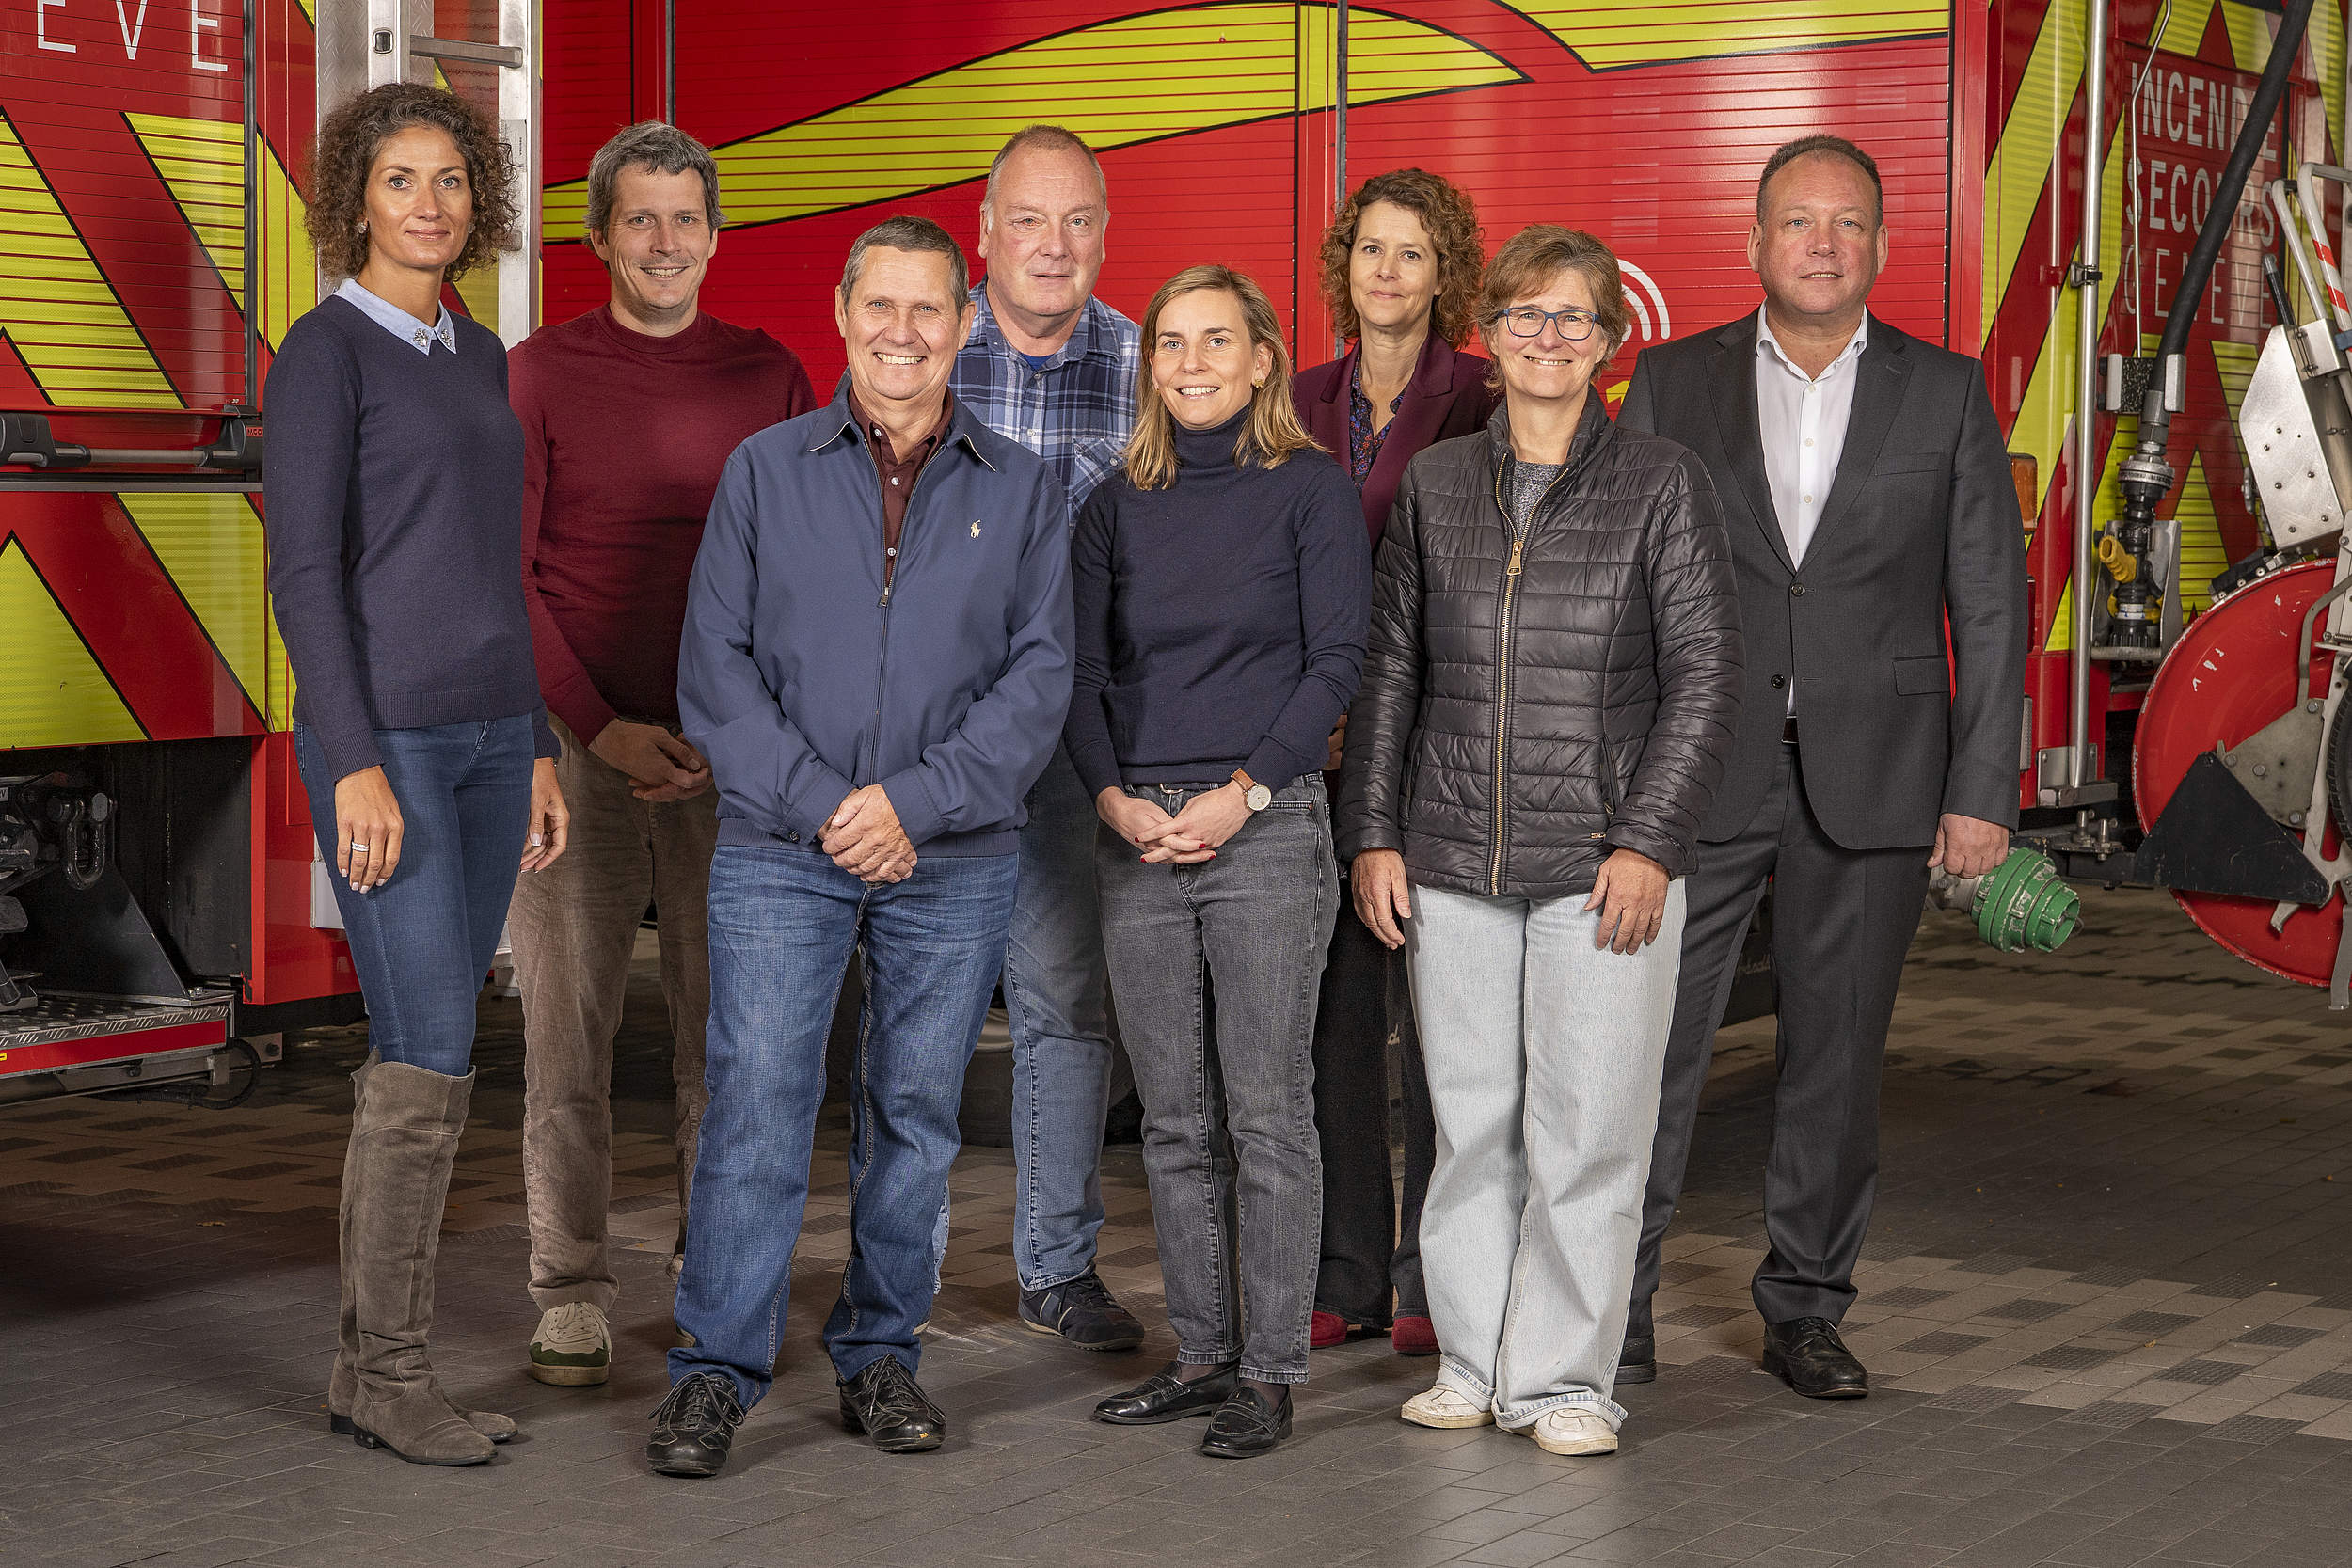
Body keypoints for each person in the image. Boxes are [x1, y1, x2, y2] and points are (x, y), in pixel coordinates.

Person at [649, 215, 1073, 1476]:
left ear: (965, 323)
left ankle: (880, 1350)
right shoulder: (763, 471)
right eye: (879, 305)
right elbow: (714, 668)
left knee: (917, 1112)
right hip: (783, 845)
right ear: (841, 314)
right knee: (758, 1101)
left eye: (928, 308)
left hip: (955, 853)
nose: (902, 332)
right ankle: (715, 1368)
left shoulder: (1024, 487)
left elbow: (1039, 681)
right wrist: (832, 805)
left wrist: (913, 805)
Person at [1615, 135, 2026, 1401]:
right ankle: (1611, 1302)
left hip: (1880, 771)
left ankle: (1805, 1306)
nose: (1823, 244)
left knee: (1835, 1060)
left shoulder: (1943, 392)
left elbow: (1990, 603)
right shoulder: (1671, 380)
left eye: (1849, 222)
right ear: (1755, 241)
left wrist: (1980, 788)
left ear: (1882, 247)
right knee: (1644, 1045)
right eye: (1799, 220)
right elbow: (1627, 592)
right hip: (1699, 769)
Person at [1340, 225, 1741, 1456]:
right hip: (1451, 856)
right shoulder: (1436, 485)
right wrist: (1374, 831)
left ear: (1609, 341)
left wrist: (1650, 840)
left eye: (1573, 317)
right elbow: (1392, 672)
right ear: (1492, 334)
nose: (1547, 337)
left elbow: (1705, 676)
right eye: (1524, 314)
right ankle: (1471, 1358)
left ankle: (1566, 1378)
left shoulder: (1663, 482)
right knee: (1468, 1125)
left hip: (1602, 868)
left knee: (1590, 1130)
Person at [265, 81, 568, 1466]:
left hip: (498, 737)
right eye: (400, 179)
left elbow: (498, 570)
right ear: (355, 200)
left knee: (446, 1043)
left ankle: (374, 1368)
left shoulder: (478, 351)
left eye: (451, 179)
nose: (430, 203)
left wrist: (541, 738)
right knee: (426, 1046)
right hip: (388, 745)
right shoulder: (323, 351)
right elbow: (304, 574)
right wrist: (353, 764)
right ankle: (384, 1373)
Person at [506, 121, 814, 1388]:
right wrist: (597, 726)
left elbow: (800, 575)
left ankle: (716, 1280)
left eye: (686, 217)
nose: (665, 240)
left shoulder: (771, 374)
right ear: (599, 234)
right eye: (640, 217)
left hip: (728, 757)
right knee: (567, 1042)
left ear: (715, 235)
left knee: (728, 1043)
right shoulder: (536, 374)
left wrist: (732, 731)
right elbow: (508, 574)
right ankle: (569, 1289)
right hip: (572, 753)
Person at [1074, 265, 1370, 1459]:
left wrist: (1240, 794)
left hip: (1264, 824)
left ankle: (1269, 1371)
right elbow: (1080, 671)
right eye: (1169, 343)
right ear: (1148, 364)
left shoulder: (1309, 488)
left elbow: (1335, 660)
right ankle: (1200, 1355)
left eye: (1215, 341)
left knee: (1267, 1111)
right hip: (1137, 835)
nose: (1190, 363)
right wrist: (1112, 798)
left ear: (1261, 360)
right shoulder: (1111, 506)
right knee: (1173, 1117)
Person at [946, 124, 1145, 1351]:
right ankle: (891, 1266)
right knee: (917, 1008)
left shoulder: (1148, 363)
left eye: (1078, 221)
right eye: (1029, 219)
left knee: (1067, 1005)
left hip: (1074, 743)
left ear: (1105, 235)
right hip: (934, 744)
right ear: (986, 233)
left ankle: (1057, 1267)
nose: (1053, 245)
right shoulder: (923, 347)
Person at [1292, 166, 1495, 1357]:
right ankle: (1348, 1271)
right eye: (1370, 247)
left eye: (1412, 251)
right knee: (1335, 1021)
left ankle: (1433, 1279)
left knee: (1439, 1030)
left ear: (1443, 273)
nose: (1386, 270)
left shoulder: (1481, 396)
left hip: (1437, 749)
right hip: (1315, 754)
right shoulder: (1295, 397)